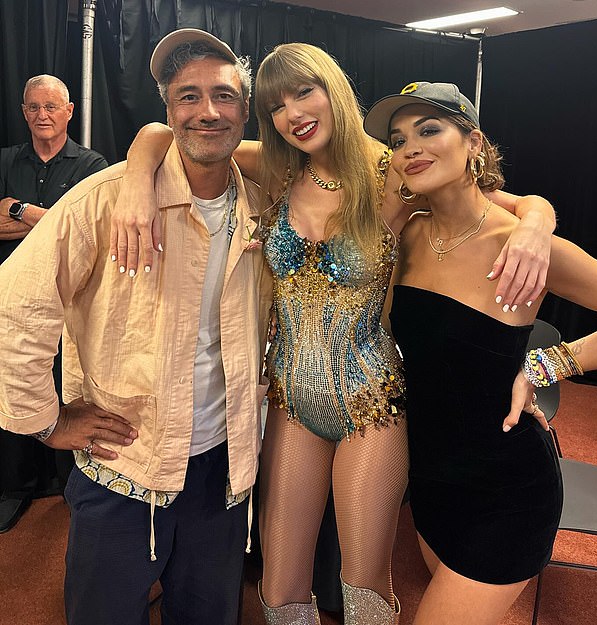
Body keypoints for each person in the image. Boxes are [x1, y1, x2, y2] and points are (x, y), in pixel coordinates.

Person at [109, 42, 556, 625]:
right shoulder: (277, 167)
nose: (292, 113)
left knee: (363, 584)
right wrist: (134, 183)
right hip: (292, 401)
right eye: (274, 105)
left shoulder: (392, 172)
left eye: (304, 92)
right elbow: (163, 135)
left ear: (334, 89)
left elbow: (496, 200)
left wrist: (539, 223)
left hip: (370, 403)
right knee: (279, 582)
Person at [0, 30, 271, 625]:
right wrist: (46, 422)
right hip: (125, 467)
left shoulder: (264, 204)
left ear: (244, 111)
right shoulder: (103, 200)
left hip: (223, 472)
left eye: (223, 96)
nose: (207, 111)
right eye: (188, 96)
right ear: (168, 110)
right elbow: (14, 309)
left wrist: (533, 211)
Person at [363, 81, 597, 625]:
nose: (410, 146)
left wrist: (549, 364)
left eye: (430, 129)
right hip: (432, 482)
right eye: (398, 138)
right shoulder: (407, 236)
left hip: (508, 490)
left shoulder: (523, 245)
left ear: (474, 145)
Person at [0, 74, 107, 533]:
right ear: (23, 112)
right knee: (13, 382)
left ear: (68, 112)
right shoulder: (5, 160)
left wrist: (17, 210)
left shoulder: (92, 165)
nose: (42, 115)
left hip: (67, 305)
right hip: (10, 299)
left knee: (65, 387)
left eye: (51, 107)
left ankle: (70, 484)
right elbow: (66, 226)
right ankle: (15, 486)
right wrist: (57, 220)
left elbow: (88, 231)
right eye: (33, 107)